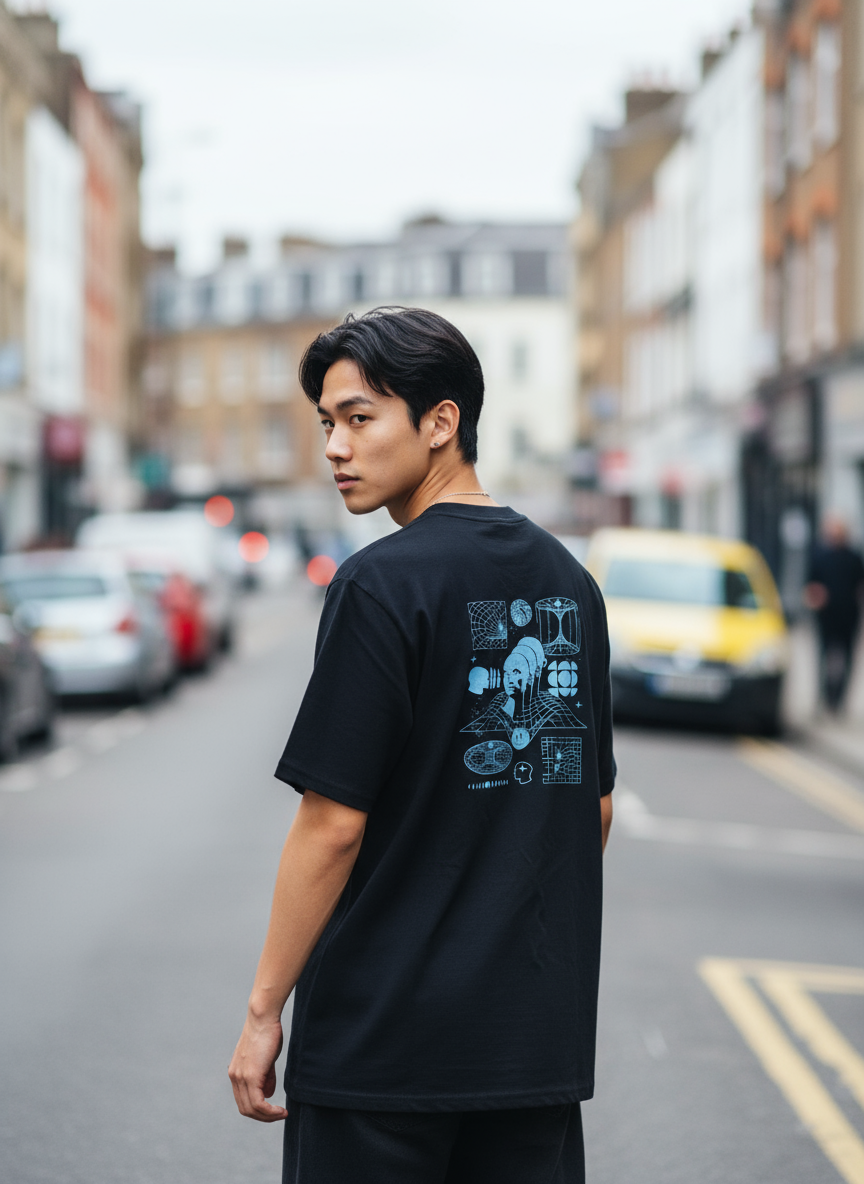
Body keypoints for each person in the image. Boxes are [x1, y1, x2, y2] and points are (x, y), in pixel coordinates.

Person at [228, 307, 615, 1184]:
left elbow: (331, 825)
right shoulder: (570, 585)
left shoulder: (379, 585)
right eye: (328, 423)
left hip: (383, 1052)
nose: (335, 446)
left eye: (360, 418)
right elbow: (590, 805)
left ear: (441, 423)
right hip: (532, 1049)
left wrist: (263, 1012)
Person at [804, 515, 864, 713]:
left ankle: (838, 700)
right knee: (823, 656)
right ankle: (824, 697)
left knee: (847, 657)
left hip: (849, 614)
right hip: (826, 614)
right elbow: (810, 584)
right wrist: (814, 596)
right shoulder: (820, 556)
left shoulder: (854, 558)